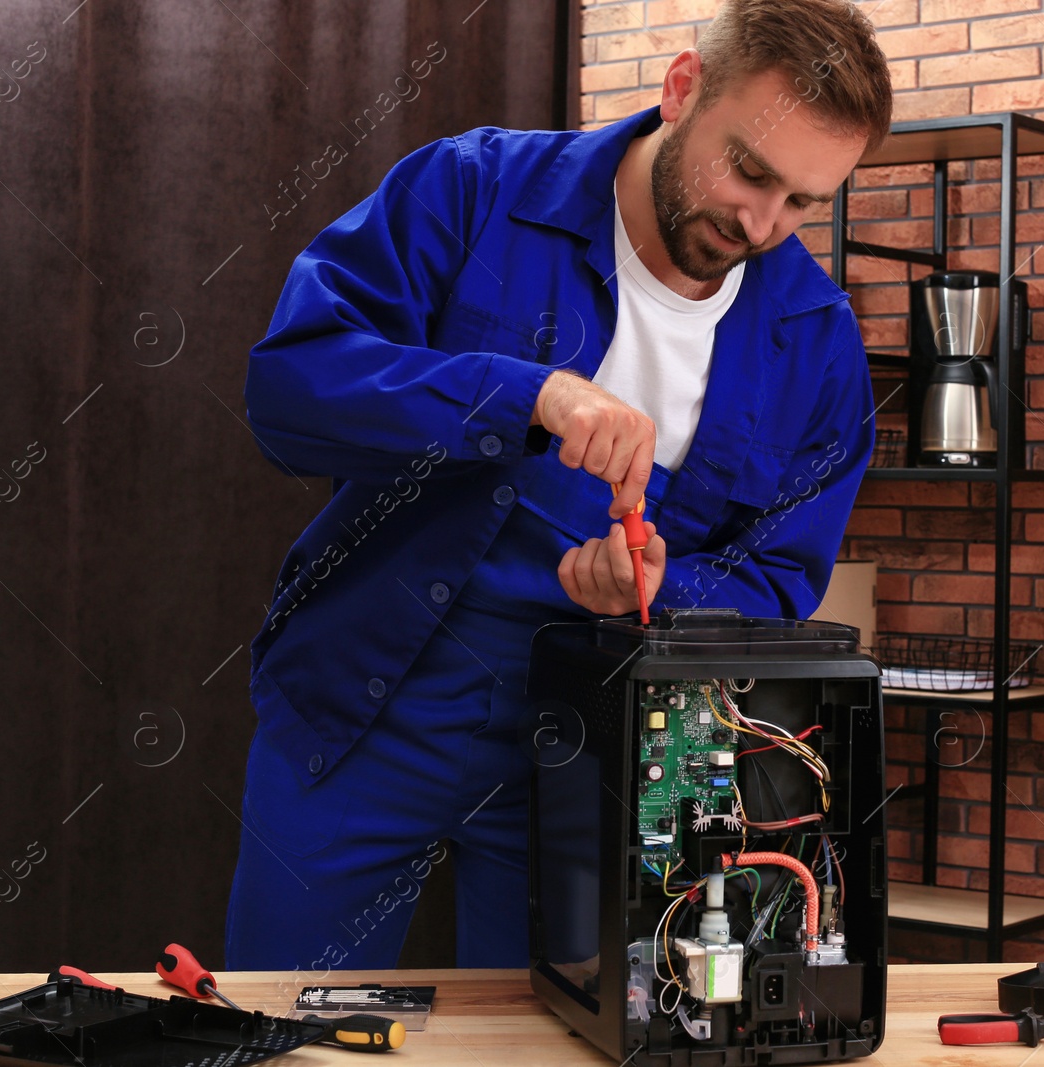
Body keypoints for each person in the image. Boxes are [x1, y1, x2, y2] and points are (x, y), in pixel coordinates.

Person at [225, 0, 893, 971]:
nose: (760, 224)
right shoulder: (472, 188)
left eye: (800, 203)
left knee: (555, 1039)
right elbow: (289, 390)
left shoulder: (821, 345)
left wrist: (661, 590)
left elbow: (780, 574)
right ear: (680, 90)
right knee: (278, 1025)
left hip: (597, 764)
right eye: (748, 172)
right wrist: (522, 392)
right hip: (365, 711)